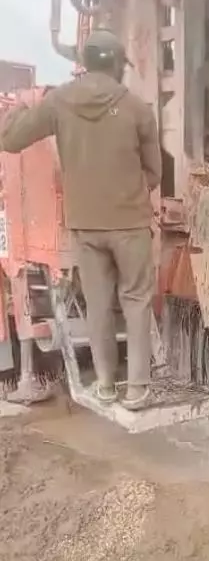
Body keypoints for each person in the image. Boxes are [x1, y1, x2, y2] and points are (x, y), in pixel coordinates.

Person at [0, 28, 162, 410]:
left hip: (86, 227)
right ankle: (137, 389)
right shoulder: (139, 110)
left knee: (99, 302)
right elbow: (154, 173)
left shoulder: (59, 102)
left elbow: (10, 139)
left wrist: (20, 107)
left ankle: (106, 385)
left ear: (85, 64)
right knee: (136, 300)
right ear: (119, 67)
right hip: (131, 224)